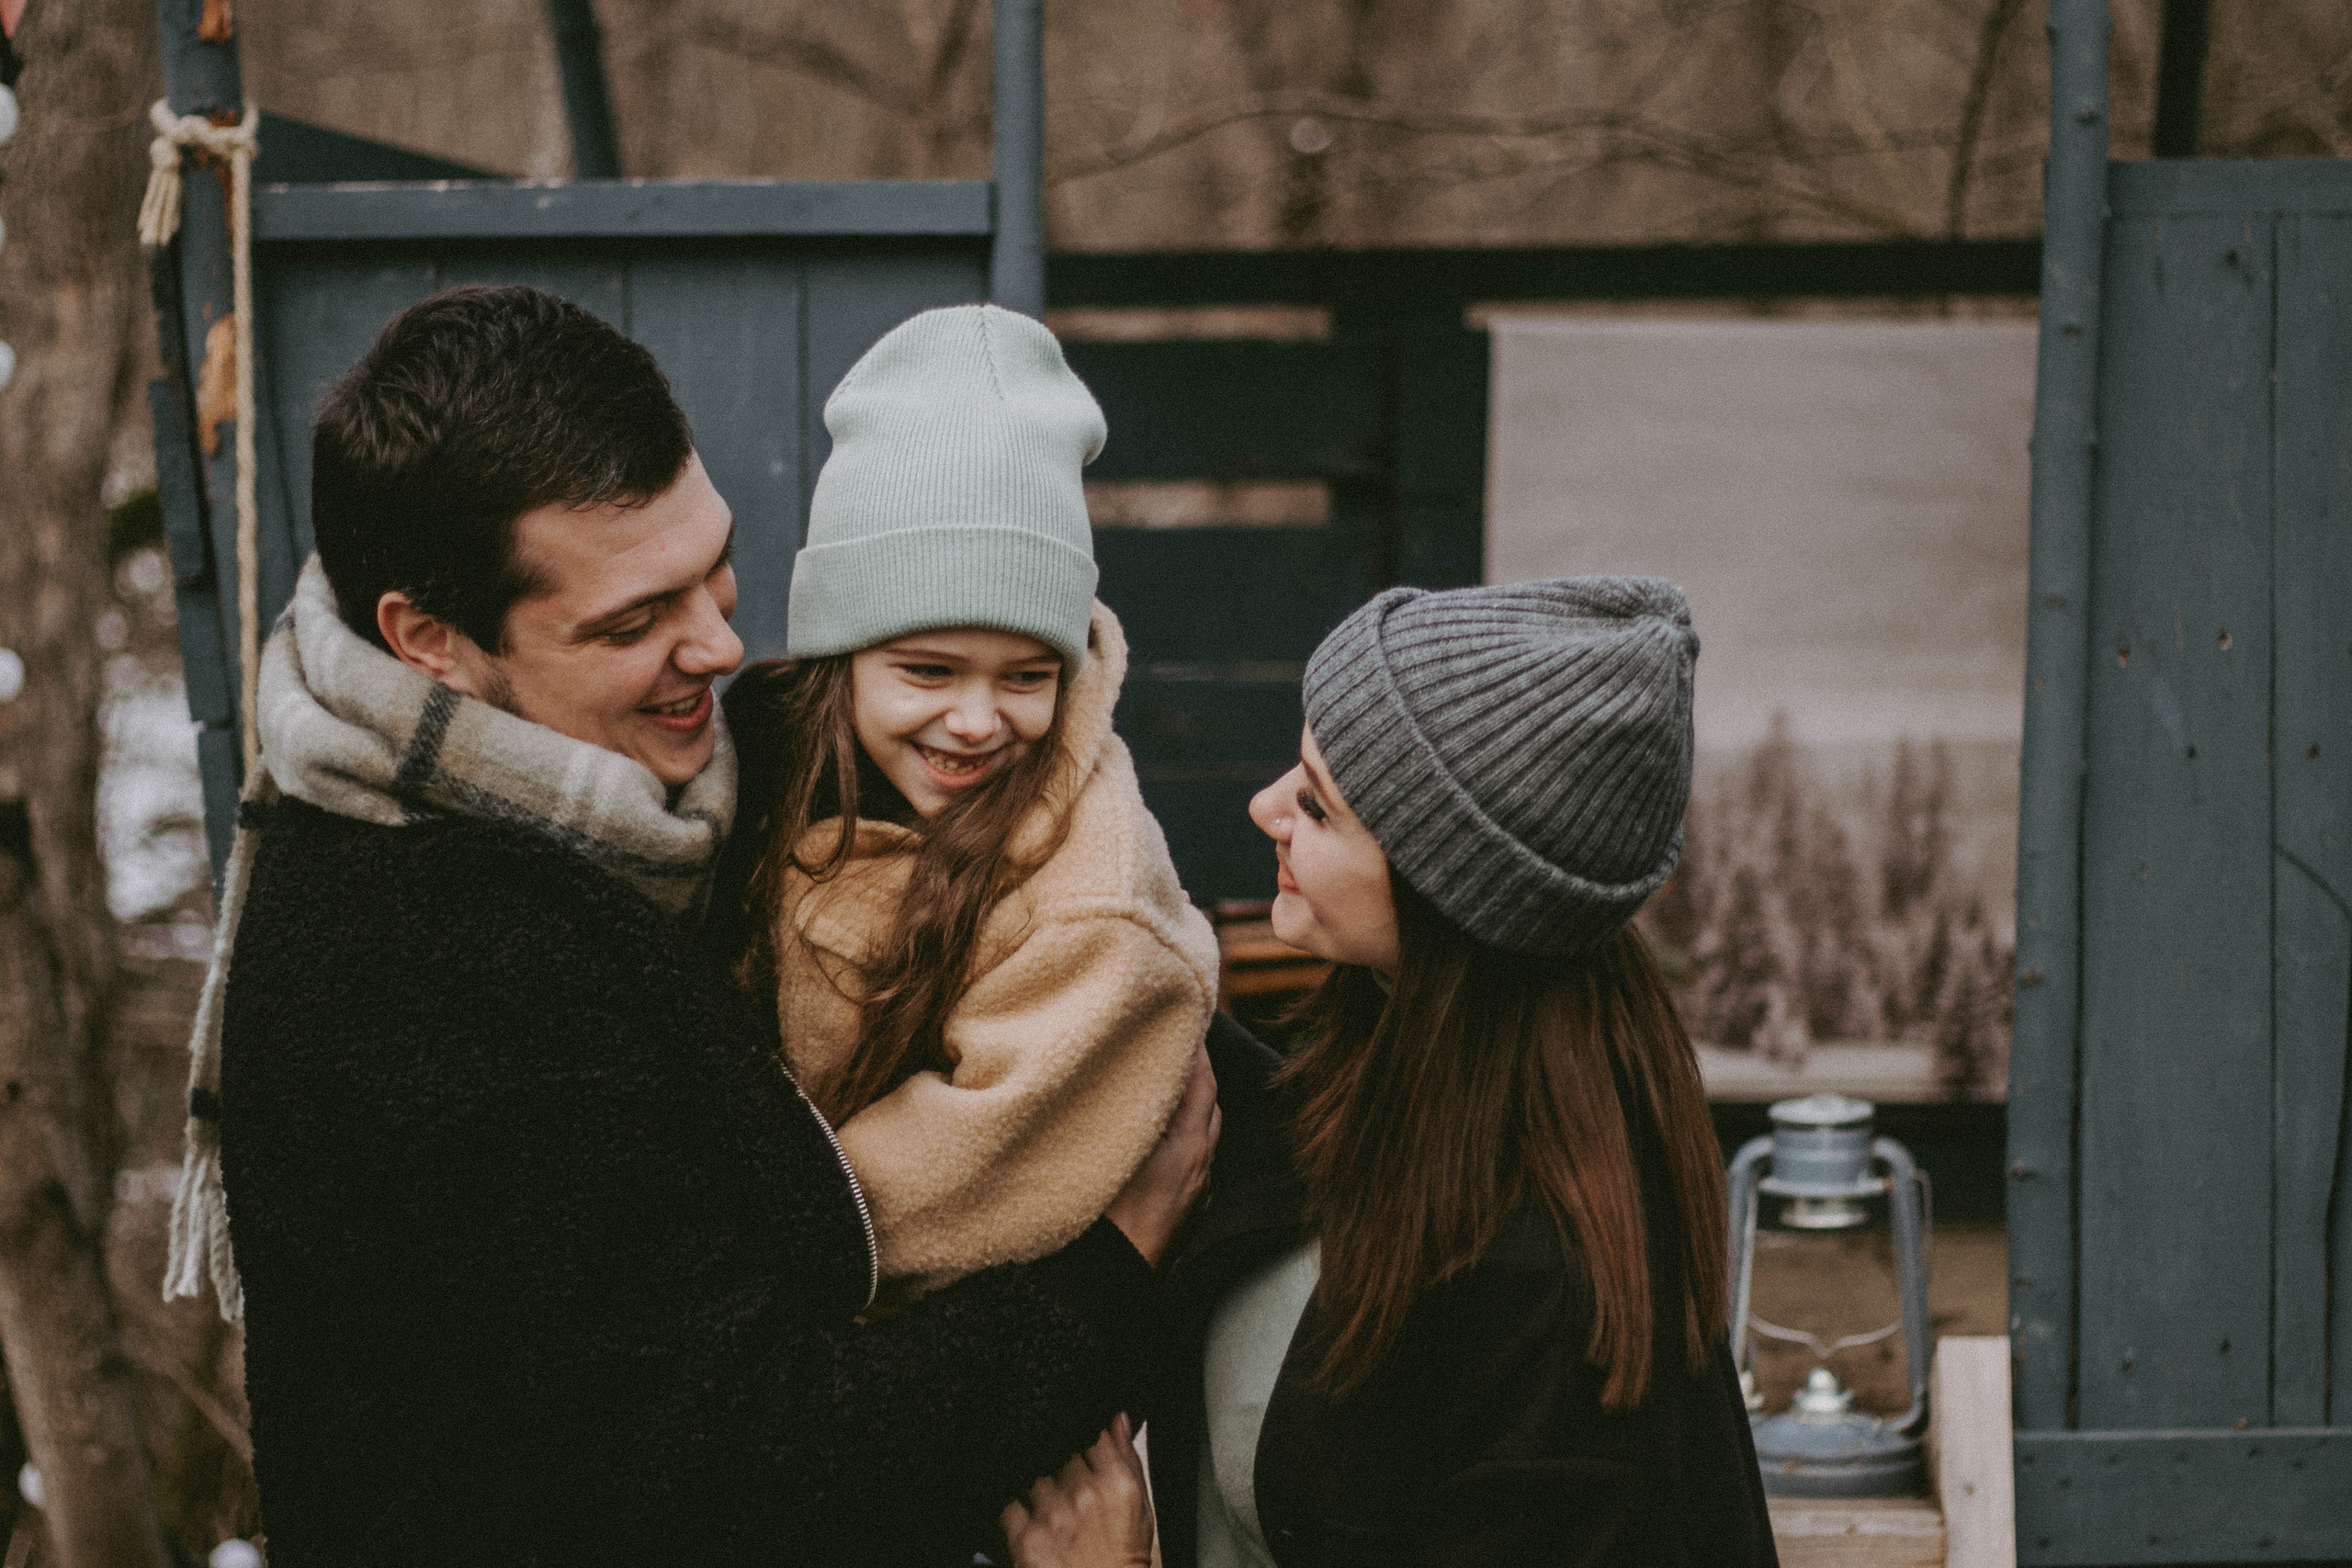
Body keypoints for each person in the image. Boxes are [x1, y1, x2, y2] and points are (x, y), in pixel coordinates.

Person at [164, 284, 1214, 1568]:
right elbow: (763, 1464)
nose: (718, 642)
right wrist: (1112, 1263)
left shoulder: (604, 815)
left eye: (712, 566)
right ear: (429, 638)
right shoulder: (442, 964)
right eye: (632, 621)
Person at [1008, 577, 1781, 1568]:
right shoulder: (1362, 1074)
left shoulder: (1551, 1300)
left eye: (1319, 808)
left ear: (1449, 888)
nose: (1264, 806)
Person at [712, 303, 1221, 1299]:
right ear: (839, 656)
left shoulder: (1093, 904)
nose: (978, 721)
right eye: (930, 670)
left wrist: (722, 1244)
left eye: (1026, 676)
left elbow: (961, 1179)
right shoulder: (745, 776)